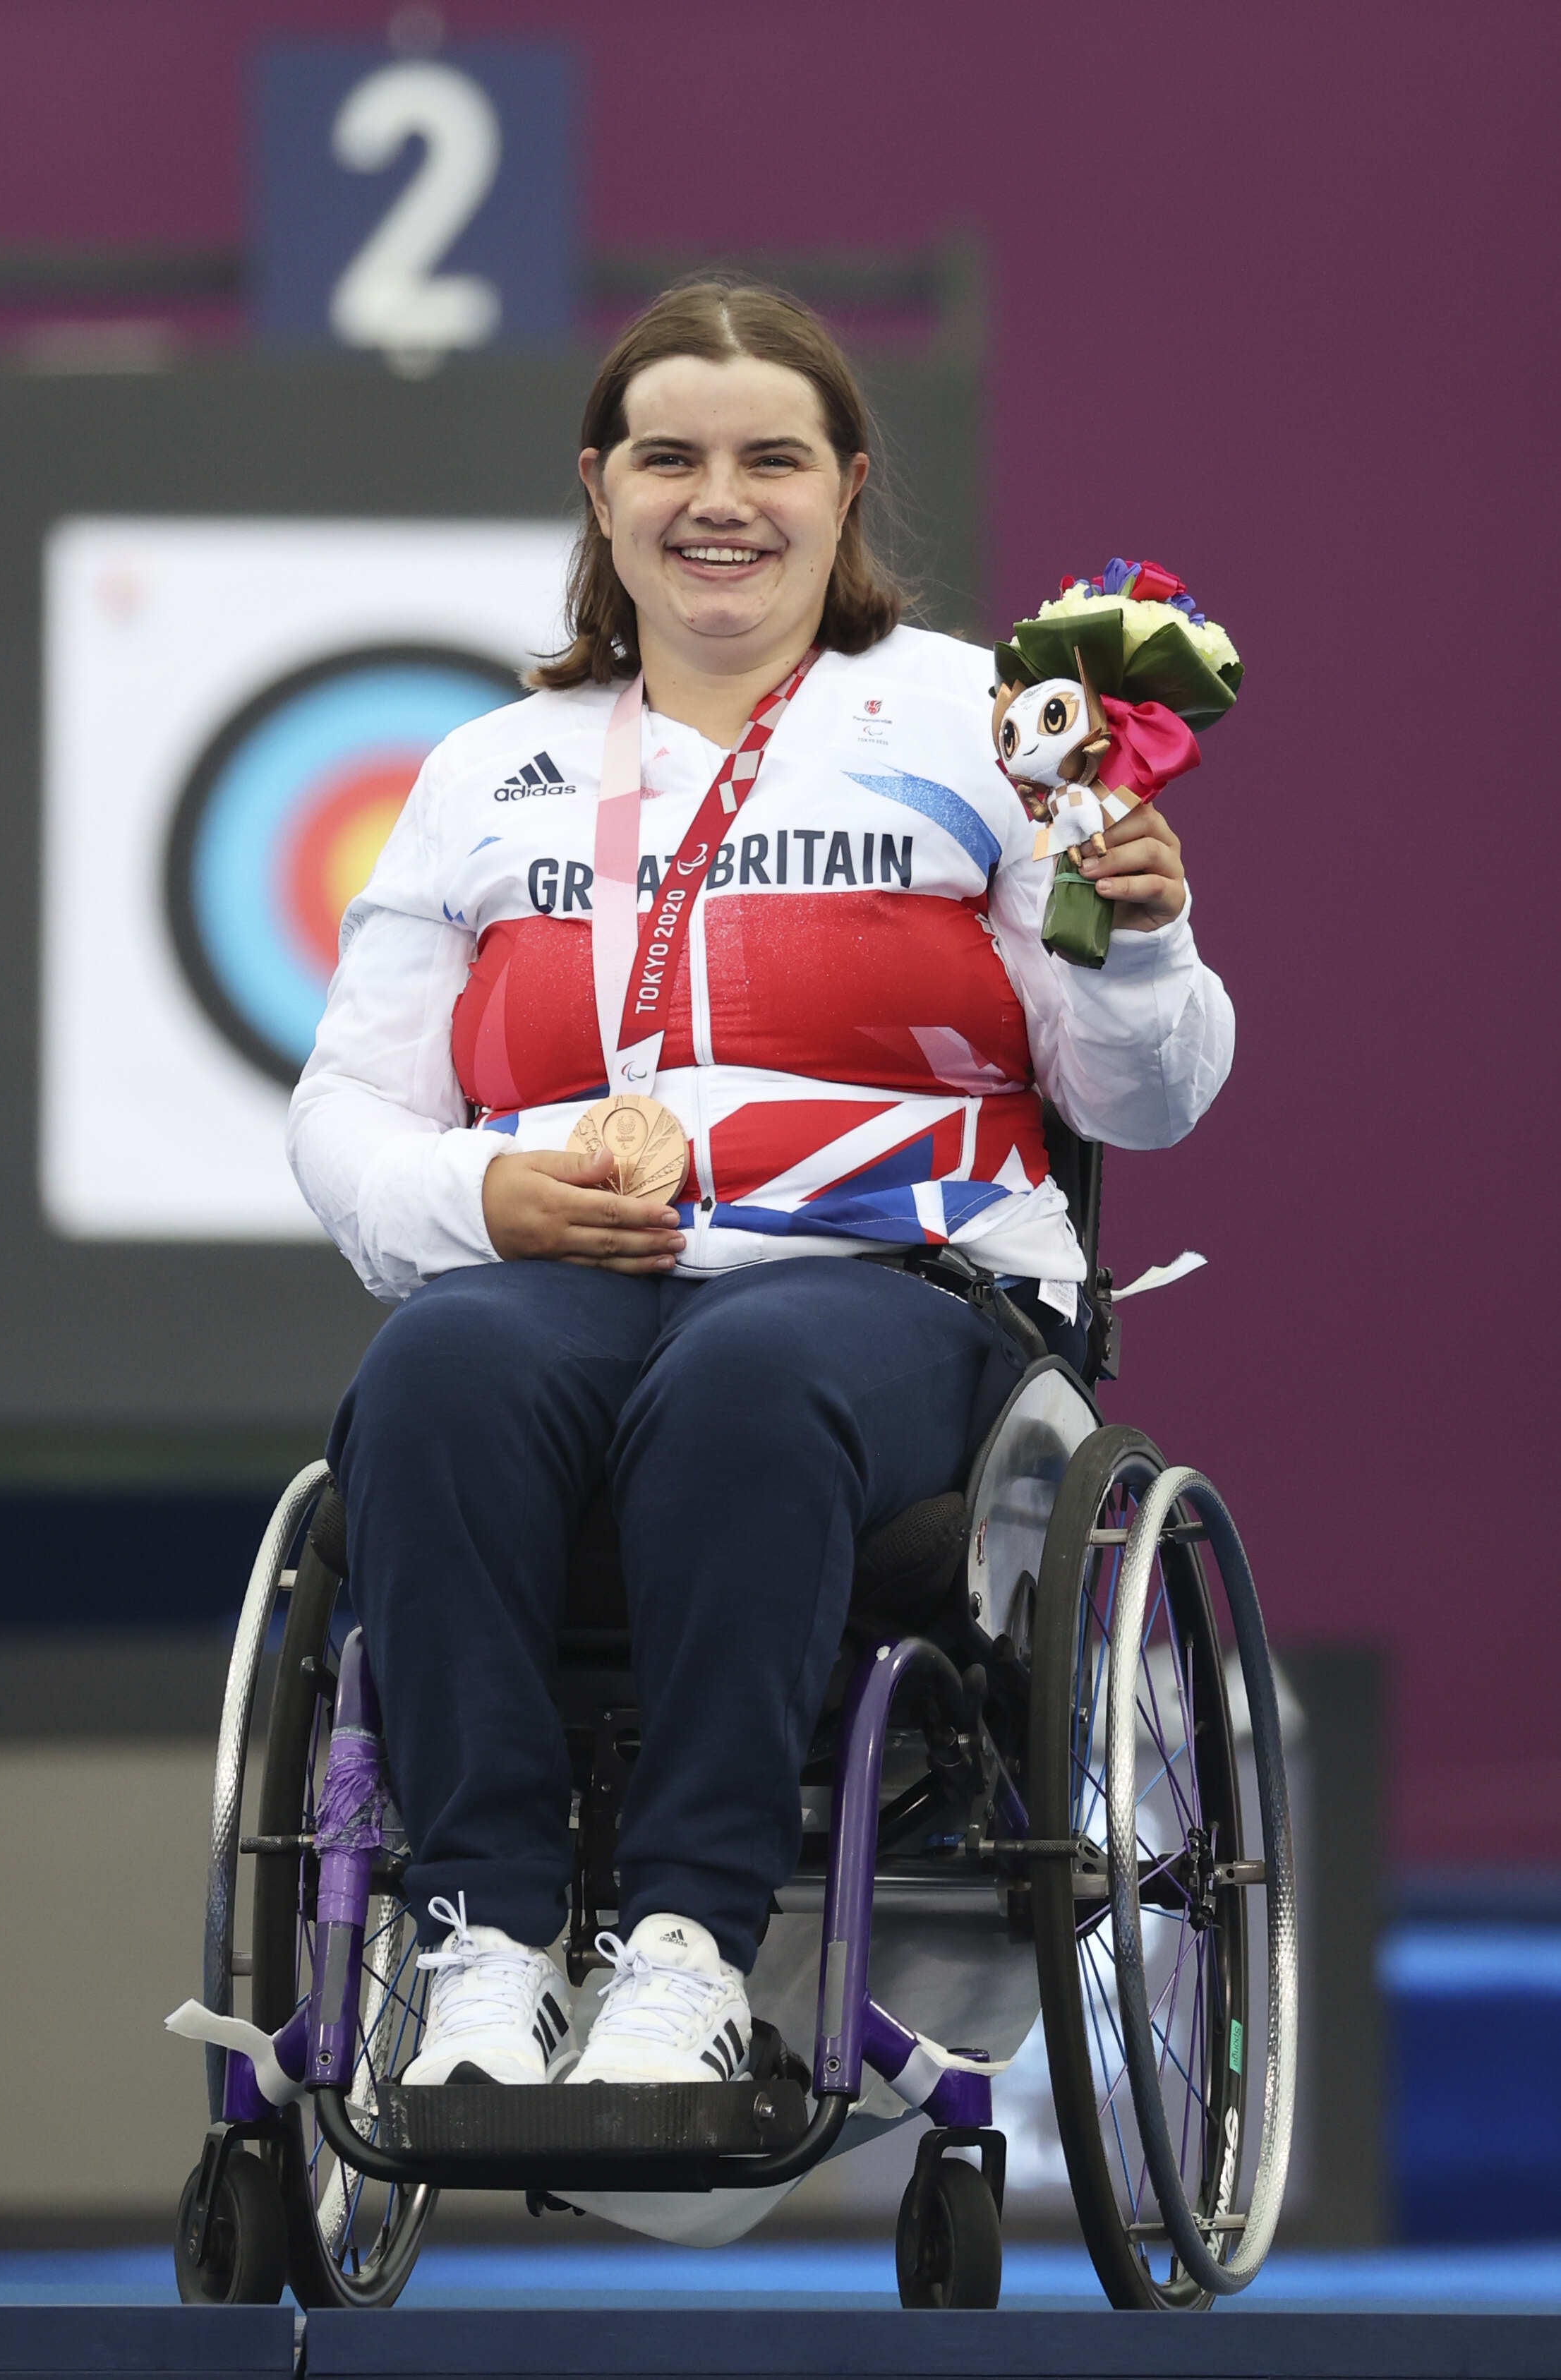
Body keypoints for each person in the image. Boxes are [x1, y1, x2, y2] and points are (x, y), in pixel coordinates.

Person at [287, 280, 1231, 2090]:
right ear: (602, 490)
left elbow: (1149, 1098)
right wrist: (483, 1206)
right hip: (581, 1277)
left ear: (847, 486)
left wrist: (1143, 947)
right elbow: (346, 1114)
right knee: (435, 1371)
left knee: (753, 1369)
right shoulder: (490, 773)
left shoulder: (987, 723)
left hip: (908, 1287)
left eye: (771, 457)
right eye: (671, 457)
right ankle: (481, 1939)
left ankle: (685, 1953)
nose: (720, 497)